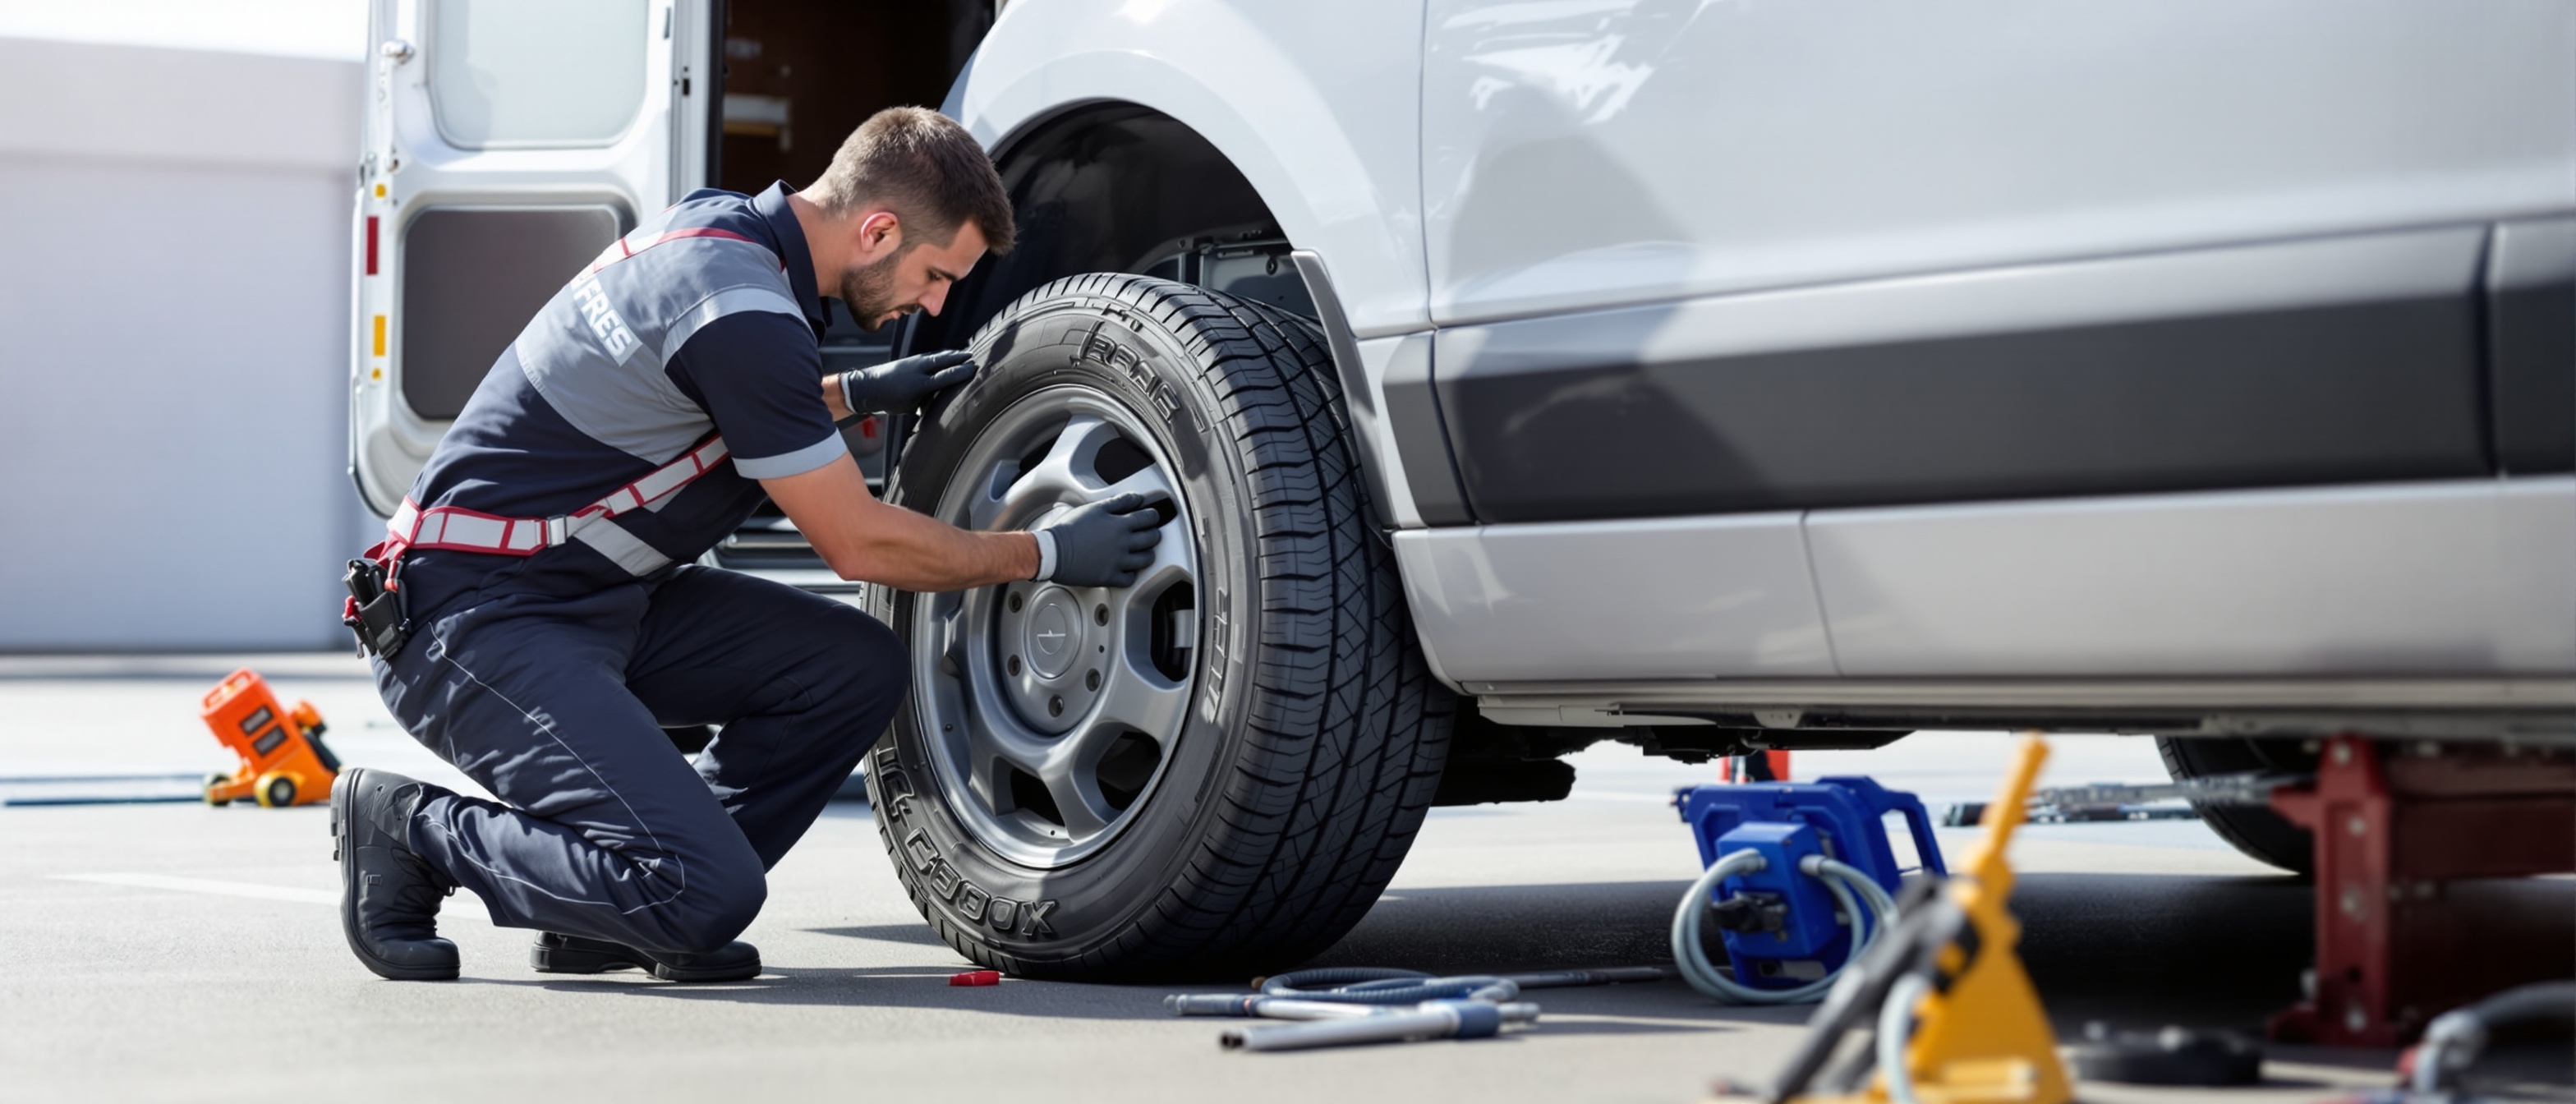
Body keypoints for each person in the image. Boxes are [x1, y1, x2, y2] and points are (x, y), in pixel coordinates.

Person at [332, 107, 1168, 982]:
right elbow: (861, 545)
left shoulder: (721, 235)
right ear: (876, 228)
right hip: (466, 619)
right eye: (933, 274)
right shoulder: (740, 308)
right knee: (701, 891)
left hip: (593, 600)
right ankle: (411, 830)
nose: (935, 302)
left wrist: (850, 393)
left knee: (853, 666)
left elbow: (702, 406)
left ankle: (616, 914)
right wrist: (1043, 554)